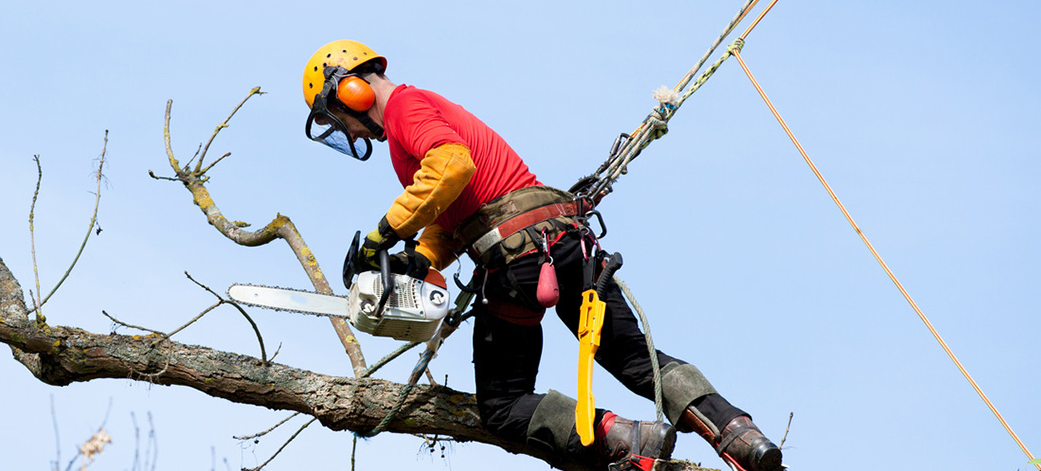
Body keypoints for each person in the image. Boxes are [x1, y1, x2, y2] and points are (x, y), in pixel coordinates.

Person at [300, 40, 783, 471]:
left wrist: (380, 238)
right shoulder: (420, 115)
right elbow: (451, 216)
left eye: (334, 116)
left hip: (519, 262)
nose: (348, 129)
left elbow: (452, 165)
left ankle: (627, 438)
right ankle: (741, 436)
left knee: (503, 404)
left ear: (349, 91)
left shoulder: (406, 108)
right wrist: (420, 258)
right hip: (567, 244)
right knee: (635, 359)